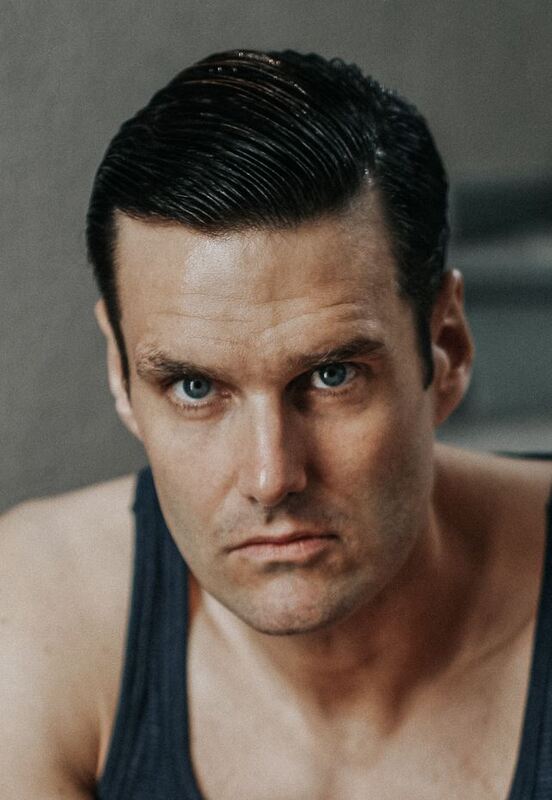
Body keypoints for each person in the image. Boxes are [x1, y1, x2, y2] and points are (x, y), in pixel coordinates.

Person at [1, 49, 550, 800]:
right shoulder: (41, 615)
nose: (271, 476)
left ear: (446, 348)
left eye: (331, 377)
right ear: (120, 374)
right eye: (195, 387)